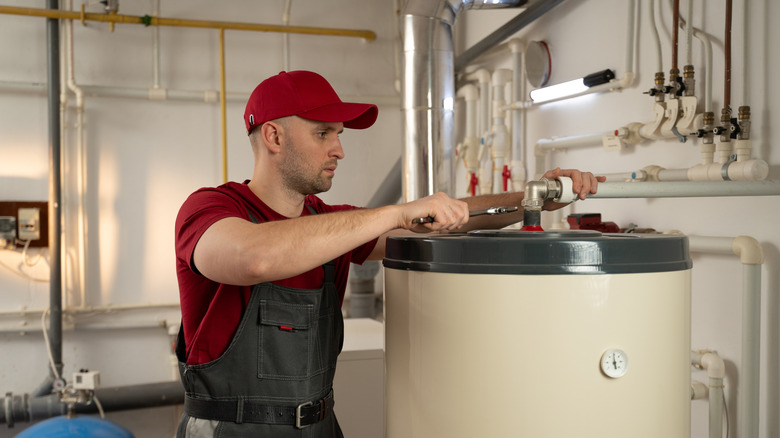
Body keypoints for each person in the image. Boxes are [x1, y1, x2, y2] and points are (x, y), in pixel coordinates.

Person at [174, 70, 603, 437]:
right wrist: (394, 212)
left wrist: (534, 199)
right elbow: (254, 257)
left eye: (339, 135)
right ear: (273, 136)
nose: (339, 150)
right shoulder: (210, 209)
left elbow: (452, 220)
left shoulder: (331, 224)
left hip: (320, 427)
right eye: (323, 133)